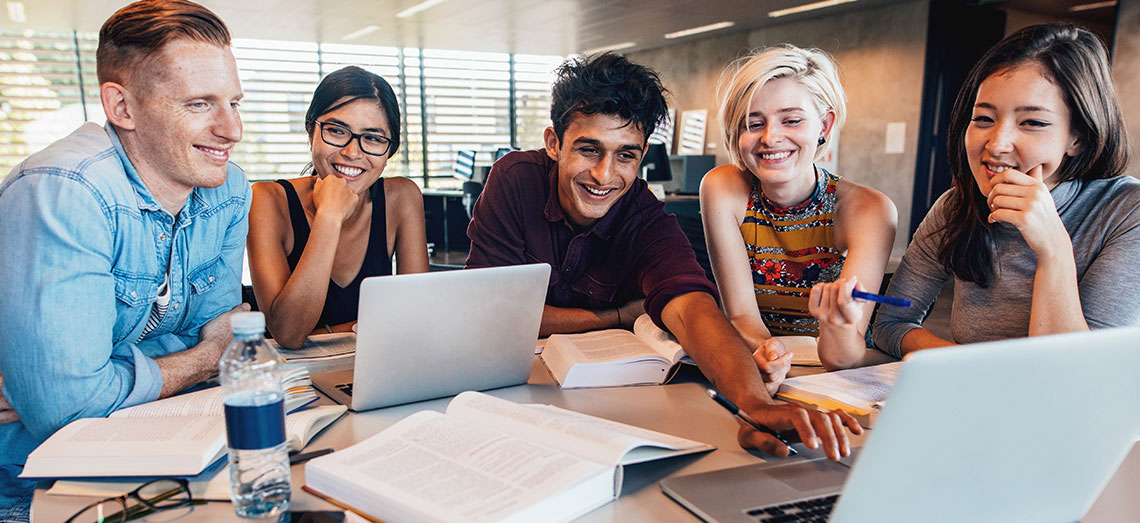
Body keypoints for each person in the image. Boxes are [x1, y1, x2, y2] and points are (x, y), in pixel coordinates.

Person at [466, 53, 861, 460]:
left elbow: (692, 308)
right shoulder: (514, 180)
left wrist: (755, 404)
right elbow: (491, 312)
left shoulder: (643, 215)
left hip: (598, 407)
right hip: (502, 395)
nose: (604, 175)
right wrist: (615, 316)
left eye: (626, 155)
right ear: (554, 143)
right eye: (589, 150)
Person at [0, 0, 249, 518]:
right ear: (122, 108)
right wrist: (203, 356)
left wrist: (105, 374)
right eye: (199, 104)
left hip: (170, 461)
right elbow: (68, 411)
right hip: (39, 489)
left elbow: (224, 329)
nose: (232, 130)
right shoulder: (65, 191)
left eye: (234, 102)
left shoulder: (229, 189)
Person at [873, 23, 1140, 357]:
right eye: (984, 118)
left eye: (1032, 123)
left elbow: (1081, 373)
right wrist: (968, 369)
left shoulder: (1127, 210)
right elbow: (891, 322)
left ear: (1078, 137)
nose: (997, 144)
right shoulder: (957, 205)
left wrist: (1053, 249)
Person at [701, 45, 896, 371]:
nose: (771, 137)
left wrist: (838, 326)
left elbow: (844, 356)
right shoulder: (722, 188)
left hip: (839, 374)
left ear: (824, 126)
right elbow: (742, 317)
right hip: (761, 363)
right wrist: (769, 355)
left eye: (791, 120)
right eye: (753, 123)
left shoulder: (869, 209)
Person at [247, 66, 428, 348]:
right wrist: (329, 215)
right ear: (311, 133)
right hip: (299, 381)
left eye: (373, 138)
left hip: (379, 367)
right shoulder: (267, 200)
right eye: (336, 130)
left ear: (389, 151)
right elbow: (289, 333)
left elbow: (416, 318)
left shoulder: (401, 197)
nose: (351, 152)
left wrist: (322, 334)